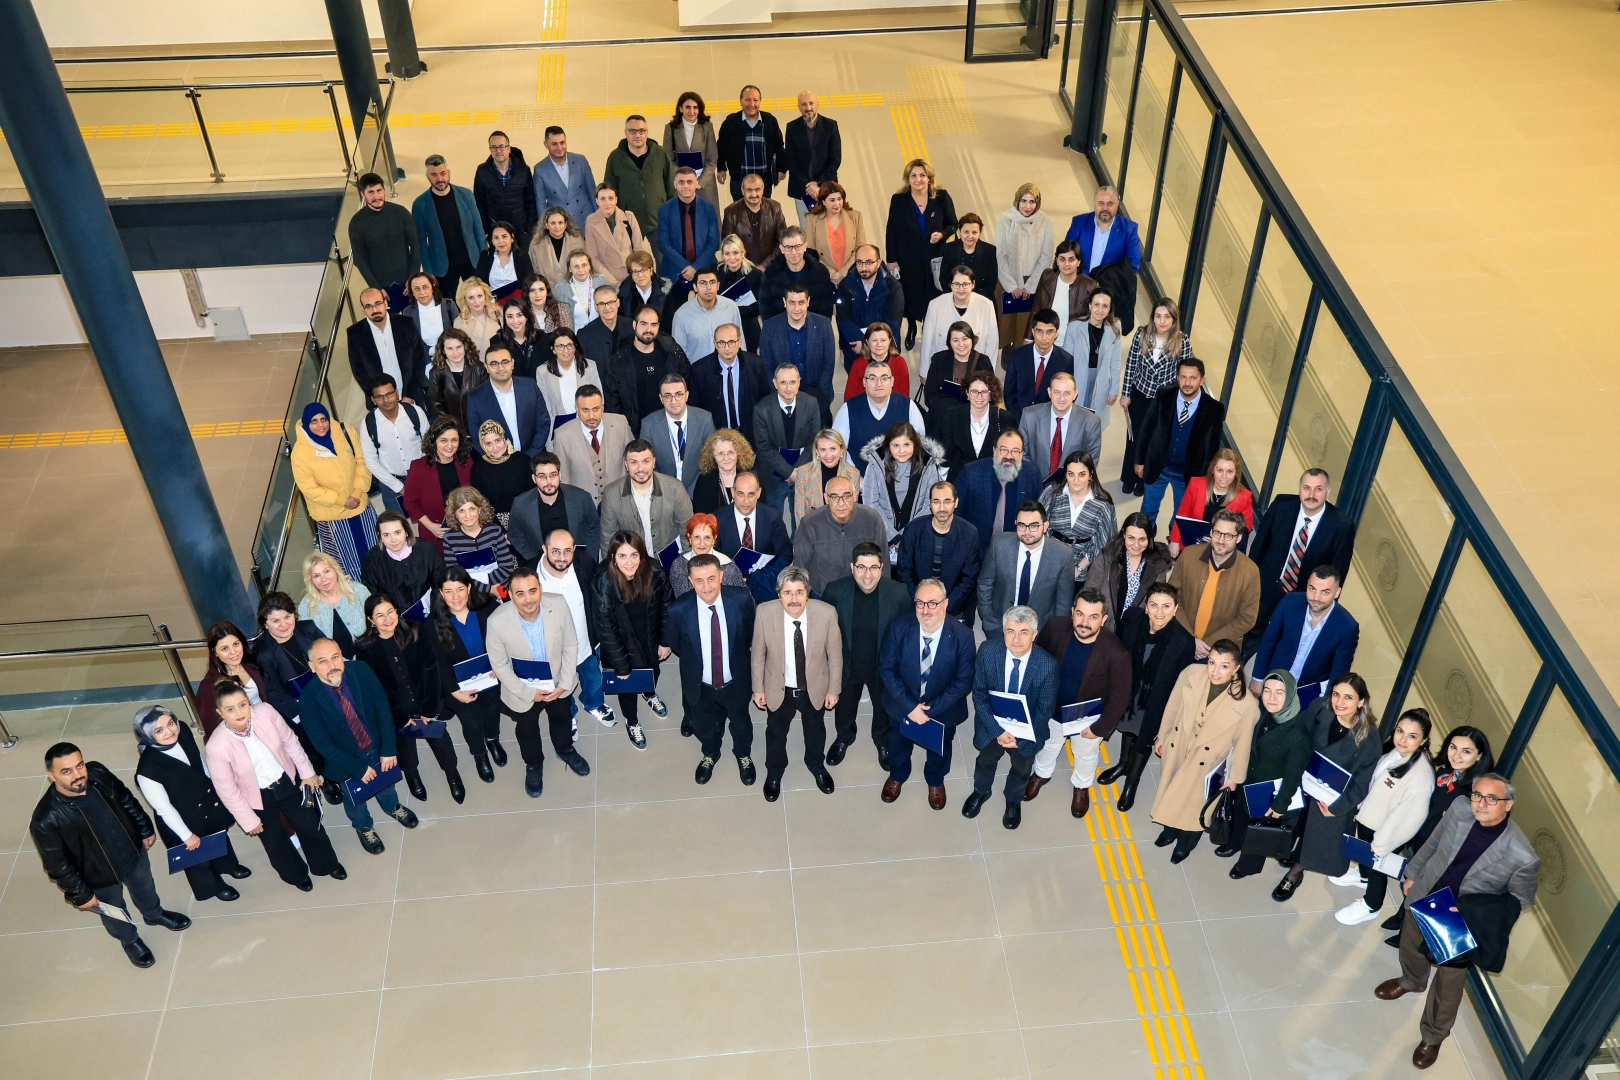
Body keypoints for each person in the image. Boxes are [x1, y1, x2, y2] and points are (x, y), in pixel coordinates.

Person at [1376, 774, 1539, 1070]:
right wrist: (1412, 873)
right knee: (1410, 945)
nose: (1481, 804)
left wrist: (1479, 916)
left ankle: (1433, 1035)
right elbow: (1434, 842)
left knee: (1449, 982)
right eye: (1478, 795)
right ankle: (1412, 980)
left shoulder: (1522, 856)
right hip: (1427, 894)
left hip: (1459, 920)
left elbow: (1520, 899)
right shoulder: (1459, 808)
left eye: (1492, 799)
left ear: (1508, 804)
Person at [31, 741, 189, 967]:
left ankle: (154, 914)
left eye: (79, 765)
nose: (77, 775)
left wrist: (144, 828)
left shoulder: (98, 773)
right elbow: (57, 865)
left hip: (132, 853)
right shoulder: (46, 819)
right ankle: (129, 940)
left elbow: (125, 799)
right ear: (51, 776)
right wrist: (81, 895)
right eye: (66, 771)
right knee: (113, 911)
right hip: (97, 876)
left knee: (145, 887)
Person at [205, 683, 344, 891]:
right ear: (220, 713)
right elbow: (227, 790)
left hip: (286, 781)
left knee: (310, 824)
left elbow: (290, 742)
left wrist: (307, 772)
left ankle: (326, 864)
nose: (239, 712)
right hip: (256, 796)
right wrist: (247, 819)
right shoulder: (216, 746)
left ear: (249, 702)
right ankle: (296, 875)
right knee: (274, 840)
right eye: (230, 709)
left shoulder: (266, 712)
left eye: (242, 705)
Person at [298, 638, 420, 854]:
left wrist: (388, 749)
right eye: (323, 661)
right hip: (345, 762)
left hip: (377, 747)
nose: (332, 665)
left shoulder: (361, 671)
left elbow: (382, 709)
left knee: (386, 784)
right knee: (355, 799)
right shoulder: (308, 700)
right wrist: (358, 768)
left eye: (335, 657)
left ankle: (392, 806)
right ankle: (363, 826)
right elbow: (323, 744)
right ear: (312, 666)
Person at [1272, 673, 1384, 902]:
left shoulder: (1369, 739)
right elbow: (1298, 734)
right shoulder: (1320, 709)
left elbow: (1361, 783)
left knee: (1314, 836)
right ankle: (1290, 852)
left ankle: (1295, 872)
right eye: (1336, 694)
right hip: (1302, 782)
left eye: (1348, 697)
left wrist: (1337, 808)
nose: (1339, 702)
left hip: (1329, 799)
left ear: (1361, 701)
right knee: (1294, 823)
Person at [1378, 727, 1495, 945]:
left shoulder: (1475, 792)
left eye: (1466, 751)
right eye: (1453, 747)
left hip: (1442, 850)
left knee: (1424, 888)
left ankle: (1409, 934)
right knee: (1412, 882)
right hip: (1423, 839)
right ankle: (1402, 916)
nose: (1456, 755)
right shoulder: (1444, 775)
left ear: (1480, 755)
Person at [1148, 638, 1258, 862]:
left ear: (1236, 668)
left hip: (1208, 762)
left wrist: (1234, 778)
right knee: (1172, 790)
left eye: (1224, 666)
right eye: (1211, 663)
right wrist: (1162, 736)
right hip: (1179, 747)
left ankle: (1185, 844)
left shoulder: (1248, 705)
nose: (1215, 671)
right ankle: (1169, 830)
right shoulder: (1191, 674)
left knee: (1196, 806)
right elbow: (1172, 707)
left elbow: (1242, 744)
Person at [1027, 588, 1132, 817]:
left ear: (1104, 619)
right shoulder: (1055, 627)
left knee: (1085, 754)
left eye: (1093, 617)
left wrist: (1099, 728)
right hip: (1052, 709)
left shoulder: (1116, 653)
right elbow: (1037, 659)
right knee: (1048, 745)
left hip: (1087, 719)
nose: (1085, 622)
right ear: (1072, 612)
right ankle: (1041, 773)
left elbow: (1119, 698)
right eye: (1080, 614)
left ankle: (1082, 786)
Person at [131, 705, 249, 903]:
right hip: (181, 818)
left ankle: (227, 865)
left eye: (170, 723)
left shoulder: (183, 730)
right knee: (198, 858)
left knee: (217, 836)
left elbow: (198, 761)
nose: (170, 731)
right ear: (147, 735)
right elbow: (164, 809)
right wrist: (186, 835)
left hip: (205, 802)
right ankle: (214, 886)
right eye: (159, 730)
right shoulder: (147, 770)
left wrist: (213, 784)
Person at [355, 592, 465, 804]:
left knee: (441, 741)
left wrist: (429, 708)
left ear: (397, 611)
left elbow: (431, 670)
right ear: (371, 620)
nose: (388, 619)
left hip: (424, 701)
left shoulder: (414, 631)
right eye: (380, 615)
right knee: (405, 749)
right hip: (395, 709)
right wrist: (398, 715)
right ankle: (413, 777)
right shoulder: (364, 647)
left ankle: (452, 774)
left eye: (390, 612)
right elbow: (374, 688)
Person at [486, 567, 584, 797]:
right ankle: (533, 764)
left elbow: (570, 645)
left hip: (558, 681)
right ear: (510, 594)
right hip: (522, 689)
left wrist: (564, 683)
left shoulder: (558, 604)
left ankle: (565, 749)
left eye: (532, 591)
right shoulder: (496, 621)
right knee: (527, 729)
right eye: (520, 594)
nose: (528, 599)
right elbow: (499, 665)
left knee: (561, 718)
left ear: (540, 588)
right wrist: (528, 693)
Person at [879, 578, 975, 809]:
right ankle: (898, 774)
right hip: (902, 704)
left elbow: (963, 681)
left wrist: (929, 711)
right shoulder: (898, 627)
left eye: (933, 603)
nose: (925, 610)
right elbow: (887, 669)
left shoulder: (963, 635)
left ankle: (935, 779)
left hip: (943, 708)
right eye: (920, 603)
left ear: (945, 604)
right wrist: (910, 707)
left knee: (940, 747)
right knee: (898, 742)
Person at [665, 553, 758, 784]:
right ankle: (710, 752)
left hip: (735, 681)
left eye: (711, 579)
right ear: (690, 581)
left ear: (721, 576)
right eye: (699, 581)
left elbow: (749, 634)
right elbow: (677, 645)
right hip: (700, 684)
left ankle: (743, 754)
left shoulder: (741, 599)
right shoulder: (678, 609)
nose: (706, 587)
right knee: (703, 723)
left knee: (741, 721)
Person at [750, 564, 841, 801]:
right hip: (778, 687)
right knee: (775, 733)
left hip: (814, 687)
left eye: (799, 592)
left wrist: (833, 690)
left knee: (815, 729)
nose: (793, 599)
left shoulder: (827, 613)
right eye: (787, 593)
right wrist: (758, 688)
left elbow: (835, 656)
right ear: (778, 594)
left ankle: (816, 764)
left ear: (808, 592)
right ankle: (774, 771)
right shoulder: (764, 613)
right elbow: (758, 655)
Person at [1336, 709, 1435, 926]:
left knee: (1377, 868)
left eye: (1412, 736)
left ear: (1423, 740)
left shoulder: (1421, 776)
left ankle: (1371, 904)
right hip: (1370, 818)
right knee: (1367, 861)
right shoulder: (1396, 752)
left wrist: (1382, 845)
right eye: (1400, 731)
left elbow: (1408, 818)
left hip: (1384, 832)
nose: (1403, 739)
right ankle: (1362, 876)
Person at [1246, 468, 1358, 653]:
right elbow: (1259, 545)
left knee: (1283, 645)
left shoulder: (1341, 526)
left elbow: (1337, 574)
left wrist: (1322, 611)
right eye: (1306, 488)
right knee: (1251, 634)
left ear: (1327, 492)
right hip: (1266, 587)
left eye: (1318, 489)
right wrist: (1248, 582)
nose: (1311, 494)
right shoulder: (1281, 505)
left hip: (1302, 598)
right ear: (1300, 489)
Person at [1105, 581, 1196, 810]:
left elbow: (1181, 684)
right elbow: (1115, 650)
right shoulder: (1131, 619)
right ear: (1146, 607)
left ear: (1175, 609)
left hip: (1155, 701)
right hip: (1129, 691)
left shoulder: (1184, 641)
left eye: (1166, 606)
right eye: (1154, 605)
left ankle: (1132, 783)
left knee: (1143, 738)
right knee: (1127, 727)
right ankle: (1123, 764)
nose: (1159, 612)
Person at [964, 606, 1056, 830]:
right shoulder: (987, 651)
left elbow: (1044, 710)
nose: (1016, 639)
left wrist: (1021, 738)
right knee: (985, 761)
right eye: (1010, 631)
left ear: (1034, 635)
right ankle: (981, 791)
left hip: (1027, 731)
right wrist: (998, 731)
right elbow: (979, 695)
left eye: (1024, 632)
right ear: (1003, 631)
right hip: (992, 724)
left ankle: (1013, 800)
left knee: (1022, 769)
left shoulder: (1047, 664)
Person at [822, 543, 909, 769]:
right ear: (852, 567)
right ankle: (844, 737)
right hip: (847, 664)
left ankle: (882, 741)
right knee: (844, 707)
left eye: (873, 568)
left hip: (883, 667)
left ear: (882, 567)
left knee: (883, 709)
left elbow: (908, 632)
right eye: (861, 567)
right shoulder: (835, 591)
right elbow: (823, 631)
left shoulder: (899, 593)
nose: (867, 575)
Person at [255, 592, 343, 803]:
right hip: (296, 708)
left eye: (287, 616)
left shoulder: (309, 628)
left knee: (337, 734)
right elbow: (274, 693)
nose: (284, 624)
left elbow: (330, 655)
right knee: (311, 743)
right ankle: (326, 779)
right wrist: (304, 713)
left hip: (326, 692)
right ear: (265, 624)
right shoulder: (263, 653)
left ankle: (343, 767)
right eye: (276, 621)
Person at [1224, 670, 1313, 878]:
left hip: (1268, 793)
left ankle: (1248, 866)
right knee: (1241, 815)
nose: (1272, 697)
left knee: (1259, 828)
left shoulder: (1298, 736)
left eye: (1279, 692)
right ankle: (1234, 843)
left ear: (1290, 694)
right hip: (1249, 780)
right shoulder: (1263, 712)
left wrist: (1280, 805)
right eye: (1267, 690)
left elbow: (1293, 777)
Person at [596, 530, 674, 750]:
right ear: (613, 557)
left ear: (642, 555)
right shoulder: (604, 580)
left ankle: (649, 694)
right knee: (627, 688)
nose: (629, 562)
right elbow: (605, 627)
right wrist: (621, 664)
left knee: (652, 672)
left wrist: (665, 640)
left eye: (634, 555)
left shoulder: (655, 571)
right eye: (622, 556)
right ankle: (632, 722)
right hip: (620, 645)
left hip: (650, 637)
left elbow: (667, 606)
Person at [425, 568, 505, 780]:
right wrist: (454, 691)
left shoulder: (489, 608)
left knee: (492, 710)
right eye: (448, 591)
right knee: (471, 721)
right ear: (441, 593)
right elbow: (439, 664)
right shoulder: (432, 624)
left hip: (491, 676)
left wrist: (500, 668)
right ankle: (479, 754)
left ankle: (493, 740)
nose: (456, 597)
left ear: (469, 587)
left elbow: (506, 641)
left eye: (460, 589)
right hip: (457, 685)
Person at [532, 530, 615, 731]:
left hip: (586, 643)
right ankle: (568, 714)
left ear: (574, 550)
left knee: (593, 678)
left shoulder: (584, 563)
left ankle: (594, 704)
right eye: (555, 551)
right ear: (544, 549)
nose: (562, 558)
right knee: (561, 687)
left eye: (567, 551)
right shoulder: (530, 574)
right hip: (554, 652)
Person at [290, 402, 375, 579]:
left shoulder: (344, 432)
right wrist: (342, 501)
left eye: (323, 419)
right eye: (314, 421)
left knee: (374, 551)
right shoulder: (300, 453)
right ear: (306, 424)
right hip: (332, 518)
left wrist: (356, 493)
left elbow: (362, 461)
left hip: (360, 507)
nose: (320, 425)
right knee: (347, 564)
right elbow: (309, 488)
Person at [1120, 298, 1195, 495]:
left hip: (1164, 400)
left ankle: (1144, 481)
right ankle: (1129, 477)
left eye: (1167, 317)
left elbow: (1187, 373)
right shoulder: (1142, 334)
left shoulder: (1182, 341)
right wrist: (1126, 393)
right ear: (1152, 317)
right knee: (1134, 437)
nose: (1162, 321)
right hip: (1139, 394)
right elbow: (1131, 365)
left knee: (1154, 440)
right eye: (1158, 316)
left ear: (1174, 319)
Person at [1250, 565, 1360, 695]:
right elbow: (1268, 641)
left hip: (1307, 692)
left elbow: (1339, 673)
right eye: (1312, 589)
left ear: (1337, 592)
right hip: (1274, 679)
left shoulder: (1347, 627)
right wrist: (1258, 678)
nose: (1316, 597)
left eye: (1325, 592)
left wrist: (1325, 702)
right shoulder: (1289, 603)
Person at [1167, 508, 1260, 660]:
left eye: (1228, 535)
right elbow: (1171, 597)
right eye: (1217, 533)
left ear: (1239, 538)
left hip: (1218, 652)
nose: (1221, 540)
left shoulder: (1250, 572)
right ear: (1211, 532)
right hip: (1180, 638)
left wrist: (1207, 644)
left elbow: (1247, 619)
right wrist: (1191, 638)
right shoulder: (1189, 555)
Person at [885, 159, 957, 349]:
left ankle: (928, 327)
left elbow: (953, 224)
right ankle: (911, 326)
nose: (918, 180)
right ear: (907, 179)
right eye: (914, 176)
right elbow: (891, 231)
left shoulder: (941, 197)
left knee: (932, 294)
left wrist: (942, 234)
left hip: (934, 259)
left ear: (929, 178)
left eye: (922, 175)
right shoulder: (899, 200)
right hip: (907, 259)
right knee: (910, 293)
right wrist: (891, 260)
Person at [979, 501, 1078, 635]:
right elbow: (985, 583)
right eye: (1022, 525)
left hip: (1040, 631)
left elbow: (1063, 603)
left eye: (1034, 526)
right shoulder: (999, 544)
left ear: (1045, 526)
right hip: (999, 625)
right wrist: (989, 620)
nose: (1027, 532)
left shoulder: (1063, 555)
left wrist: (1052, 633)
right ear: (1016, 523)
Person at [897, 480, 982, 623]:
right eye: (936, 501)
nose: (942, 508)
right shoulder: (913, 529)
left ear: (956, 502)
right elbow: (904, 571)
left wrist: (944, 607)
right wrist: (922, 603)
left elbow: (969, 577)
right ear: (929, 503)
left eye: (947, 501)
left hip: (953, 610)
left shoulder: (969, 533)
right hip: (916, 607)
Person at [957, 428, 1045, 559]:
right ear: (994, 450)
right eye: (1004, 450)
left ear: (1022, 453)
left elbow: (1038, 515)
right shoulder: (971, 472)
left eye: (1015, 451)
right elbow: (956, 514)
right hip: (974, 551)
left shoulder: (1032, 473)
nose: (1009, 456)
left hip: (1014, 553)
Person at [1065, 185, 1141, 335]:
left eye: (1110, 203)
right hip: (1080, 287)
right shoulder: (1079, 223)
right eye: (1101, 203)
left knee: (1102, 337)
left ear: (1118, 204)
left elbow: (1133, 265)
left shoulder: (1129, 229)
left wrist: (1105, 282)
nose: (1105, 208)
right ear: (1094, 203)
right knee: (1075, 333)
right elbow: (1067, 254)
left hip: (1109, 294)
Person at [792, 475, 887, 594]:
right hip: (822, 594)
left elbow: (883, 561)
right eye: (834, 497)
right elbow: (800, 566)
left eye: (846, 496)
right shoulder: (810, 523)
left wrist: (883, 594)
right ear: (826, 498)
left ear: (855, 496)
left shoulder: (872, 519)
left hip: (863, 592)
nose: (841, 503)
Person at [606, 306, 693, 434]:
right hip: (636, 431)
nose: (649, 329)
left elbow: (688, 382)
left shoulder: (672, 351)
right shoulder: (619, 359)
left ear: (658, 326)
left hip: (672, 426)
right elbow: (612, 401)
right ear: (634, 325)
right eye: (644, 324)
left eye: (653, 325)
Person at [600, 438, 694, 557]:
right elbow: (608, 538)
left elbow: (688, 530)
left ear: (654, 462)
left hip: (669, 561)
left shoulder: (675, 488)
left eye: (646, 461)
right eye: (634, 462)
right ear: (626, 464)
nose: (640, 468)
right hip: (631, 563)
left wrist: (687, 563)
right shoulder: (611, 494)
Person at [859, 421, 946, 548]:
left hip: (916, 536)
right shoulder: (875, 463)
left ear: (915, 444)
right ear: (888, 446)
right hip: (882, 535)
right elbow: (871, 504)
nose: (901, 451)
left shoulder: (928, 464)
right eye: (896, 445)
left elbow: (930, 504)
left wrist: (907, 534)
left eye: (906, 445)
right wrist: (893, 537)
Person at [508, 451, 602, 566]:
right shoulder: (521, 503)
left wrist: (588, 558)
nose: (548, 481)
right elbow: (515, 534)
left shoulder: (581, 498)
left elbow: (594, 527)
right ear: (534, 478)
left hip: (578, 562)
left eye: (553, 475)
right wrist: (534, 559)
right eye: (542, 476)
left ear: (560, 475)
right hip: (540, 565)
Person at [411, 155, 485, 300]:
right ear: (427, 176)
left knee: (478, 299)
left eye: (443, 173)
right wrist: (428, 272)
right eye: (434, 175)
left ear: (449, 173)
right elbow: (421, 243)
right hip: (442, 266)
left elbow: (478, 229)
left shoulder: (466, 195)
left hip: (471, 261)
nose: (440, 178)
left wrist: (484, 260)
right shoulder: (420, 204)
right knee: (446, 303)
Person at [750, 364, 824, 507]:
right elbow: (764, 447)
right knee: (773, 518)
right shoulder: (761, 409)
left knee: (800, 519)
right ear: (775, 383)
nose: (788, 388)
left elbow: (814, 441)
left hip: (803, 472)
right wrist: (789, 472)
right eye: (783, 382)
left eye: (792, 382)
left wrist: (798, 472)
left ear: (799, 382)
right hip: (772, 474)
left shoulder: (811, 403)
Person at [1085, 511, 1173, 628]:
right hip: (1104, 626)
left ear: (1149, 539)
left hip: (1136, 629)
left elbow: (1156, 602)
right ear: (1124, 534)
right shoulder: (1107, 557)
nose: (1136, 545)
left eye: (1142, 539)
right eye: (1131, 538)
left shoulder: (1157, 565)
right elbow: (1089, 592)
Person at [996, 183, 1054, 362]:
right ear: (1017, 200)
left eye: (1032, 202)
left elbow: (1046, 255)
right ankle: (1007, 353)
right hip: (1008, 279)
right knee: (1007, 322)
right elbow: (1000, 254)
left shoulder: (1045, 221)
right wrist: (1012, 285)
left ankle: (1020, 356)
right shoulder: (1006, 219)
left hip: (1032, 282)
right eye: (1024, 201)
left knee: (1025, 323)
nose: (1028, 206)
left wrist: (1030, 285)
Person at [716, 470, 793, 604]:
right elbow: (713, 558)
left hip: (765, 586)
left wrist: (760, 577)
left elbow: (785, 554)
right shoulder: (718, 519)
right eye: (741, 494)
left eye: (751, 494)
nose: (746, 501)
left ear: (759, 493)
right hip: (729, 589)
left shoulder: (772, 516)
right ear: (733, 492)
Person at [691, 320, 770, 446]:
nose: (727, 348)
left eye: (731, 342)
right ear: (715, 343)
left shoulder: (755, 364)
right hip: (715, 437)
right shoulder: (699, 370)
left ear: (740, 342)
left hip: (750, 435)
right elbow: (696, 408)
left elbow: (765, 399)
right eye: (722, 343)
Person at [831, 358, 925, 463]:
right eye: (873, 378)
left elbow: (920, 446)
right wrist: (852, 471)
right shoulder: (848, 409)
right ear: (864, 382)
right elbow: (836, 447)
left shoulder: (908, 406)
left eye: (884, 378)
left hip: (899, 472)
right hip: (858, 472)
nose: (878, 383)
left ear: (892, 381)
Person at [1041, 450, 1117, 579]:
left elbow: (1104, 543)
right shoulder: (1052, 493)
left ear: (1090, 474)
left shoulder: (1103, 504)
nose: (1076, 480)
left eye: (1082, 474)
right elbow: (1037, 524)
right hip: (1048, 561)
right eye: (1071, 474)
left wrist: (1079, 568)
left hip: (1081, 569)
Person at [759, 283, 838, 408]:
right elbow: (767, 366)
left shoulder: (823, 324)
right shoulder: (770, 327)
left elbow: (828, 363)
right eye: (792, 303)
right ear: (784, 302)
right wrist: (778, 394)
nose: (797, 308)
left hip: (817, 394)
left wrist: (820, 394)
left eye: (801, 302)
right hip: (782, 395)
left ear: (808, 302)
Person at [402, 414, 472, 552]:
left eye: (454, 440)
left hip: (467, 530)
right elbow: (410, 503)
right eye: (444, 440)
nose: (449, 446)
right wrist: (430, 526)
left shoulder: (467, 463)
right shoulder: (418, 468)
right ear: (434, 441)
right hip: (435, 533)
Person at [601, 116, 674, 248]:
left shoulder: (660, 153)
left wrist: (672, 215)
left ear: (647, 132)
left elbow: (671, 185)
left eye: (641, 131)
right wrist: (613, 218)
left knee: (664, 258)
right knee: (629, 259)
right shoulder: (615, 157)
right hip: (627, 221)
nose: (637, 135)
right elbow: (609, 190)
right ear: (625, 133)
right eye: (632, 131)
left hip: (658, 219)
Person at [465, 342, 551, 454]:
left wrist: (529, 456)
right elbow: (477, 438)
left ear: (512, 363)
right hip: (498, 461)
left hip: (533, 458)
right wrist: (501, 459)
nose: (500, 368)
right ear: (486, 367)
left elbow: (543, 423)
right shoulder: (475, 398)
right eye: (494, 363)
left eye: (505, 362)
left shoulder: (530, 386)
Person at [349, 287, 430, 405]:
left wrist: (410, 395)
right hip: (380, 402)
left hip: (409, 397)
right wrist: (378, 398)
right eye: (368, 306)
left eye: (378, 303)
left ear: (385, 303)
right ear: (363, 309)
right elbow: (359, 371)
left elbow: (419, 360)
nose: (375, 309)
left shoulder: (406, 323)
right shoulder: (355, 333)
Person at [360, 510, 446, 621]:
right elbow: (373, 597)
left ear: (406, 531)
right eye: (386, 535)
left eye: (397, 532)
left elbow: (440, 584)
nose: (393, 540)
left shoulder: (427, 550)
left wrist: (434, 613)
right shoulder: (371, 561)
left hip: (432, 614)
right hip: (394, 621)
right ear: (380, 537)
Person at [1019, 371, 1102, 483]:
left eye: (1067, 393)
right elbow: (1022, 453)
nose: (1061, 398)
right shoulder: (1029, 416)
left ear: (1075, 394)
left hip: (1072, 485)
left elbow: (1090, 462)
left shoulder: (1091, 422)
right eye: (1057, 392)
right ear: (1049, 392)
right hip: (1035, 482)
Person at [360, 375, 427, 514]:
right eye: (379, 397)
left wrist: (423, 474)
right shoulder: (368, 423)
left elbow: (429, 445)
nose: (385, 400)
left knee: (429, 517)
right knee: (397, 522)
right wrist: (398, 487)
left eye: (389, 394)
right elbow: (370, 460)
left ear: (397, 393)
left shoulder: (415, 412)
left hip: (422, 477)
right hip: (391, 483)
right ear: (373, 400)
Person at [918, 266, 999, 381]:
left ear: (973, 284)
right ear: (950, 285)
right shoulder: (935, 305)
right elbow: (927, 342)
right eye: (956, 284)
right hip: (942, 369)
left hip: (976, 370)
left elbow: (992, 343)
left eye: (965, 284)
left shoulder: (986, 305)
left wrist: (989, 373)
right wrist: (925, 372)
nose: (961, 289)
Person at [554, 384, 631, 504]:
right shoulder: (562, 435)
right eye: (585, 410)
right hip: (583, 505)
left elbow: (633, 462)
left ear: (603, 407)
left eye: (596, 409)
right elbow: (564, 480)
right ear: (576, 408)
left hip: (620, 501)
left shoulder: (620, 424)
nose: (591, 416)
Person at [833, 244, 905, 372]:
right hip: (855, 348)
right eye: (859, 262)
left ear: (879, 262)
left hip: (884, 350)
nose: (863, 267)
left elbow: (893, 323)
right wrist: (860, 340)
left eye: (868, 262)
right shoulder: (845, 285)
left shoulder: (893, 287)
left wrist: (867, 343)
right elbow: (843, 319)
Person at [1168, 448, 1253, 554]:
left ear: (1236, 473)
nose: (1224, 476)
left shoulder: (1244, 496)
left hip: (1222, 550)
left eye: (1230, 472)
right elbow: (1182, 514)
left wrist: (1220, 538)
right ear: (1213, 470)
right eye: (1220, 470)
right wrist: (1174, 541)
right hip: (1193, 544)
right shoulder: (1196, 485)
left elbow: (1246, 528)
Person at [642, 373, 713, 496]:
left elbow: (711, 459)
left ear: (687, 395)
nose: (673, 401)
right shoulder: (649, 424)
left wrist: (693, 491)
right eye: (668, 396)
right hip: (663, 492)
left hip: (699, 490)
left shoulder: (704, 419)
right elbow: (646, 463)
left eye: (678, 394)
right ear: (661, 398)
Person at [348, 171, 419, 295]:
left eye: (379, 190)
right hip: (381, 288)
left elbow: (416, 245)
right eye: (371, 192)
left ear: (384, 190)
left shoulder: (401, 213)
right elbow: (359, 259)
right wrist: (376, 287)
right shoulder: (356, 223)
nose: (376, 196)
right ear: (363, 194)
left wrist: (413, 277)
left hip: (408, 282)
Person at [939, 369, 1017, 477]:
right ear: (967, 393)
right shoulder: (953, 415)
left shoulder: (1005, 418)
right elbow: (946, 453)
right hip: (960, 477)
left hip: (992, 478)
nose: (979, 397)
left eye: (984, 392)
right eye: (974, 391)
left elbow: (1010, 454)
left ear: (991, 394)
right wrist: (943, 480)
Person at [193, 621, 266, 738]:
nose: (233, 652)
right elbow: (212, 728)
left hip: (266, 724)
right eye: (225, 648)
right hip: (243, 737)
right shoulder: (209, 686)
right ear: (215, 652)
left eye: (236, 644)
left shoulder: (250, 663)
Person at [659, 168, 723, 294]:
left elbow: (714, 242)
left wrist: (695, 267)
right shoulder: (664, 209)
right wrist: (686, 267)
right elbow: (664, 244)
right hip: (675, 270)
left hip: (705, 267)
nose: (686, 186)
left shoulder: (709, 208)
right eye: (681, 182)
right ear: (675, 184)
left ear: (696, 184)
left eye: (689, 182)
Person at [1063, 289, 1122, 427]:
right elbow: (1066, 361)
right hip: (1078, 378)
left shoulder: (1114, 329)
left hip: (1101, 381)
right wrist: (1065, 387)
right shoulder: (1074, 327)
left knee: (1095, 422)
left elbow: (1115, 362)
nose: (1100, 310)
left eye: (1105, 306)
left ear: (1109, 309)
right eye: (1096, 304)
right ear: (1089, 305)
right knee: (1075, 420)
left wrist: (1114, 389)